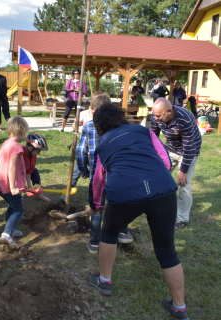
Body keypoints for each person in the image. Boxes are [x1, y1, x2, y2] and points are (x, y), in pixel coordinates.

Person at [88, 103, 190, 320]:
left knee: (109, 233)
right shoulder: (144, 131)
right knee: (167, 251)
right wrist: (154, 181)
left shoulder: (103, 144)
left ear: (99, 126)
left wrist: (96, 204)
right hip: (163, 190)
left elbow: (97, 180)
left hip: (124, 194)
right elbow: (164, 158)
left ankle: (105, 281)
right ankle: (179, 308)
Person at [76, 94, 133, 254]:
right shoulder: (120, 126)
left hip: (98, 179)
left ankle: (95, 242)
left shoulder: (88, 127)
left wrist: (83, 170)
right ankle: (123, 232)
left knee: (96, 208)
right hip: (119, 176)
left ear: (92, 111)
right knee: (121, 204)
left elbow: (80, 151)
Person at [151, 98, 202, 230]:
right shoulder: (156, 116)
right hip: (170, 149)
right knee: (158, 177)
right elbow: (153, 138)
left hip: (189, 151)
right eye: (154, 115)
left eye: (159, 116)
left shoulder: (184, 118)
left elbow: (189, 147)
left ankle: (181, 217)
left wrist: (183, 171)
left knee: (183, 183)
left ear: (168, 111)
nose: (155, 119)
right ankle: (157, 206)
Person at [0, 116, 29, 249]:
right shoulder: (16, 147)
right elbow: (12, 167)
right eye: (24, 132)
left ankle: (11, 229)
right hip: (9, 185)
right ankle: (7, 234)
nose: (24, 135)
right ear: (21, 131)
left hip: (1, 183)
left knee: (11, 206)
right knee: (18, 209)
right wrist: (13, 186)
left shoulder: (6, 143)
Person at [0, 132, 49, 208]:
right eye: (39, 151)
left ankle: (38, 192)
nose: (39, 153)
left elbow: (29, 171)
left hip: (20, 170)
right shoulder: (19, 151)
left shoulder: (33, 156)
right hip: (8, 169)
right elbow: (11, 167)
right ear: (31, 148)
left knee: (35, 172)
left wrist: (29, 186)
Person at [62, 67, 87, 132]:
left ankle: (75, 129)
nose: (76, 74)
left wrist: (79, 91)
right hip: (70, 99)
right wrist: (71, 89)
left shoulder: (82, 82)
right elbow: (66, 90)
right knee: (66, 114)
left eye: (77, 73)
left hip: (78, 100)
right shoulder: (70, 81)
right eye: (75, 73)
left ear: (79, 74)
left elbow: (85, 92)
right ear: (73, 74)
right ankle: (62, 128)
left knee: (77, 115)